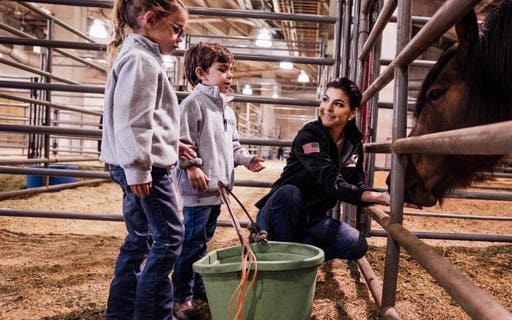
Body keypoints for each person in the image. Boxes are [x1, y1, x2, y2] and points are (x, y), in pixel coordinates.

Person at [99, 1, 188, 319]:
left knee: (141, 238)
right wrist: (139, 168)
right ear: (150, 20)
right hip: (145, 169)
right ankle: (155, 314)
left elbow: (142, 117)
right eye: (176, 29)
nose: (180, 38)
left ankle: (121, 313)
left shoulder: (138, 57)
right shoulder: (141, 61)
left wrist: (172, 144)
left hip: (132, 163)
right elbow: (133, 121)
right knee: (169, 237)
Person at [172, 41, 265, 319]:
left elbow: (233, 145)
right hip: (198, 188)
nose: (229, 75)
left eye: (230, 70)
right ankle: (181, 297)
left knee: (203, 239)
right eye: (222, 70)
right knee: (192, 241)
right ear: (201, 73)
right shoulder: (193, 105)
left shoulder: (226, 110)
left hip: (218, 189)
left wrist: (247, 160)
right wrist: (191, 167)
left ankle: (196, 282)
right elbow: (182, 141)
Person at [255, 77, 390, 261]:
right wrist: (377, 197)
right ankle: (280, 247)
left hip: (312, 219)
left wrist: (391, 197)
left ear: (352, 113)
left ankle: (294, 250)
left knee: (356, 246)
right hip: (282, 212)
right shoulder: (309, 135)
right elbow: (330, 180)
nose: (328, 108)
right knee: (290, 192)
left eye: (338, 104)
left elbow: (356, 182)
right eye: (325, 100)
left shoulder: (354, 143)